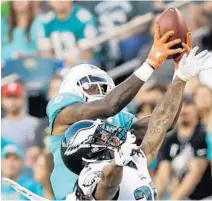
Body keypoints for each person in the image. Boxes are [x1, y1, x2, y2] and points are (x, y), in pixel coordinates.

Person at [46, 23, 202, 199]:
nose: (100, 92)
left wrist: (180, 76)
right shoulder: (65, 112)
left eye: (105, 88)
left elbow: (162, 123)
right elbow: (109, 106)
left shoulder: (127, 142)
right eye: (92, 87)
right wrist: (150, 63)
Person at [154, 95, 212, 200]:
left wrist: (174, 199)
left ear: (196, 108)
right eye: (180, 106)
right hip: (182, 197)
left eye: (188, 105)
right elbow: (163, 175)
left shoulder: (203, 134)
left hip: (204, 196)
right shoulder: (169, 139)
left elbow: (195, 174)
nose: (184, 109)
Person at [41, 1, 98, 66]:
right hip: (58, 68)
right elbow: (44, 53)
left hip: (83, 67)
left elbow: (87, 53)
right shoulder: (47, 20)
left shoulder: (83, 17)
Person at [1, 82, 40, 152]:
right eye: (9, 97)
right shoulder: (1, 125)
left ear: (22, 99)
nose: (12, 101)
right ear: (2, 100)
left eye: (15, 96)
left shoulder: (35, 124)